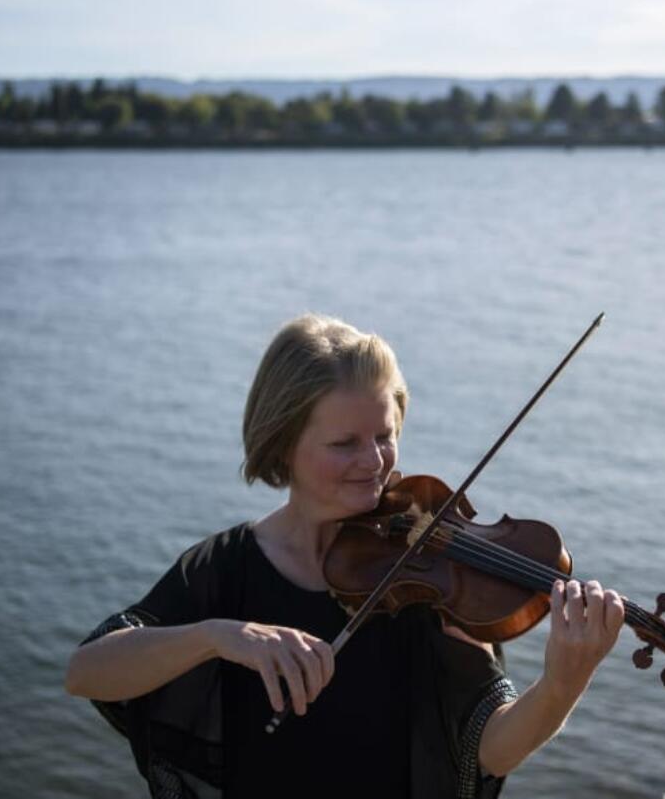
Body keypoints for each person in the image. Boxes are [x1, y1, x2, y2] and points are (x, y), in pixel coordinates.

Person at [65, 313, 626, 799]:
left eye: (385, 435)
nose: (375, 462)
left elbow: (491, 747)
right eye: (345, 444)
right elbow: (88, 672)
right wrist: (217, 636)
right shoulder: (225, 566)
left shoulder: (425, 579)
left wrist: (561, 684)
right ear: (283, 443)